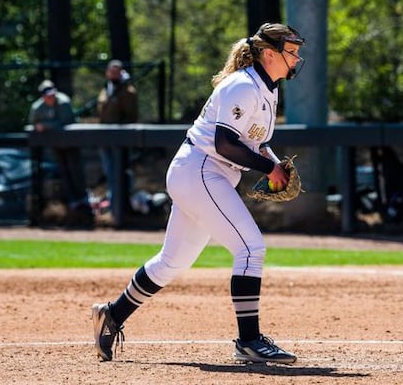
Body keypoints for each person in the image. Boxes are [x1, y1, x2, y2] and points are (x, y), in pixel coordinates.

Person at [91, 22, 305, 364]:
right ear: (269, 53)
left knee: (171, 262)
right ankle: (248, 341)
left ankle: (111, 315)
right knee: (251, 248)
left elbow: (256, 142)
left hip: (205, 174)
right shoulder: (243, 85)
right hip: (202, 169)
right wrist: (269, 170)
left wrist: (275, 163)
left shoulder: (267, 88)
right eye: (291, 51)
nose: (296, 59)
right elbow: (224, 142)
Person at [28, 80, 94, 227]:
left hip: (71, 143)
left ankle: (84, 202)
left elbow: (66, 122)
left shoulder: (63, 102)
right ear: (42, 97)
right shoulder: (37, 107)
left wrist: (46, 126)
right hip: (55, 145)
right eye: (47, 96)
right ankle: (72, 204)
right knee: (64, 173)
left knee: (76, 172)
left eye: (52, 94)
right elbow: (33, 124)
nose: (50, 98)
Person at [96, 59, 138, 217]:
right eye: (111, 72)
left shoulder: (127, 91)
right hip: (105, 138)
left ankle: (119, 210)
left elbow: (131, 116)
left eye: (116, 72)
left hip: (121, 140)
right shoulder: (106, 88)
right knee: (110, 173)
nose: (113, 75)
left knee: (120, 174)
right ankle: (113, 208)